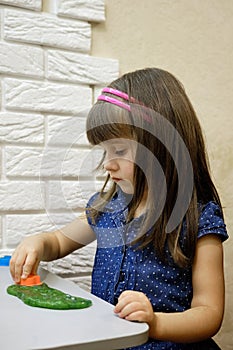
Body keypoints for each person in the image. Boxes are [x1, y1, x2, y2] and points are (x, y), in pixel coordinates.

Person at [10, 68, 228, 349]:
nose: (108, 164)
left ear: (161, 145)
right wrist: (38, 242)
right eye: (105, 151)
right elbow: (59, 241)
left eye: (120, 151)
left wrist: (156, 322)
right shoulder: (107, 209)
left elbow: (209, 313)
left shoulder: (198, 217)